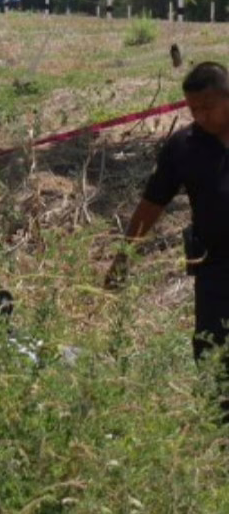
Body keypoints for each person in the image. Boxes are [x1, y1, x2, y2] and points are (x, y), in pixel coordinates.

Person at [106, 61, 229, 419]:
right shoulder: (184, 148)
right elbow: (151, 205)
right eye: (193, 109)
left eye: (208, 107)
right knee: (212, 349)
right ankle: (217, 432)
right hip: (214, 267)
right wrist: (124, 257)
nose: (201, 116)